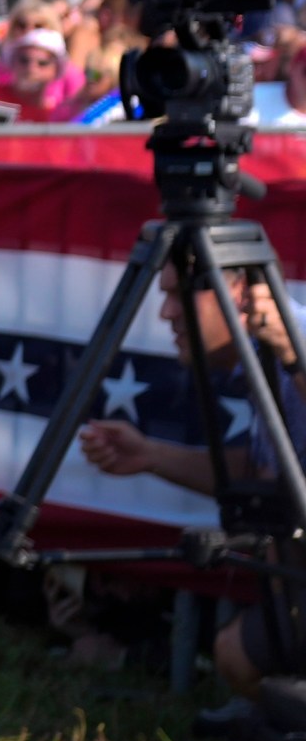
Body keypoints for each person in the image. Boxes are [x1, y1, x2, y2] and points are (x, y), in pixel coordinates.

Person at [80, 272, 302, 699]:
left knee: (240, 656)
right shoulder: (266, 356)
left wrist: (294, 354)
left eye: (182, 296)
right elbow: (268, 474)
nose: (167, 313)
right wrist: (150, 456)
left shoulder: (295, 342)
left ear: (241, 293)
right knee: (238, 654)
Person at [0, 26, 82, 121]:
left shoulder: (59, 115)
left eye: (42, 63)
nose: (31, 69)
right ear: (12, 62)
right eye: (24, 60)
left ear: (56, 71)